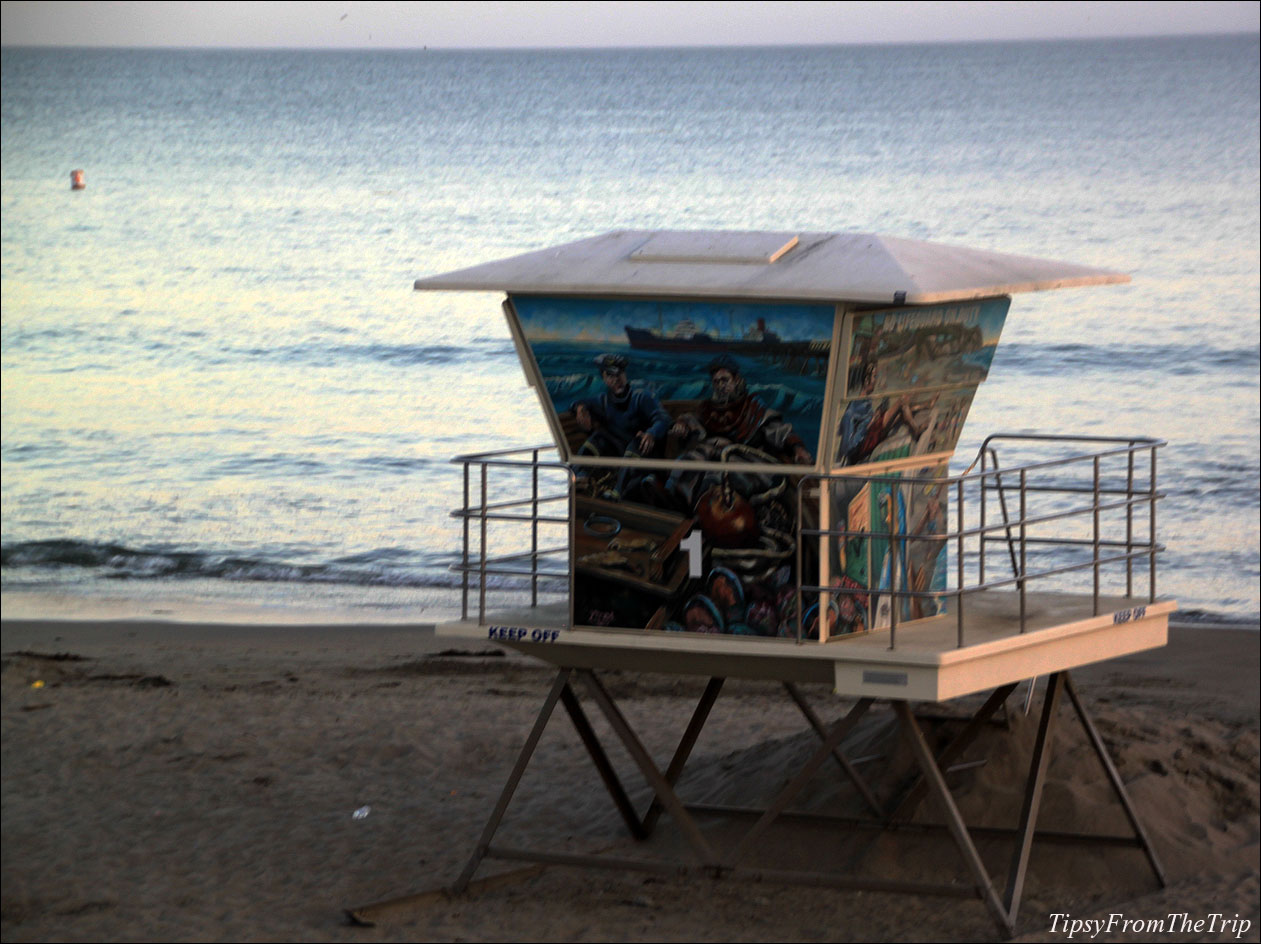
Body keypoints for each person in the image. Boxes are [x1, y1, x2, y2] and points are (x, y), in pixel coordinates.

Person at [670, 355, 812, 466]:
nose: (720, 386)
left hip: (745, 463)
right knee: (689, 461)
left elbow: (778, 430)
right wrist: (682, 424)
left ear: (736, 380)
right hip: (713, 460)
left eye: (725, 380)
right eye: (716, 382)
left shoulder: (752, 406)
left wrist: (797, 448)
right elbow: (693, 419)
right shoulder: (708, 408)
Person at [570, 353, 670, 498]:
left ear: (625, 374)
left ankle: (617, 493)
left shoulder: (642, 397)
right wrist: (580, 408)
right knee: (598, 438)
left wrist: (651, 433)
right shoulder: (603, 400)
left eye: (619, 374)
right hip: (620, 455)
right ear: (604, 379)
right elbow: (578, 402)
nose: (616, 379)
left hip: (645, 458)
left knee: (637, 442)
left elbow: (663, 419)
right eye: (610, 375)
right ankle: (578, 478)